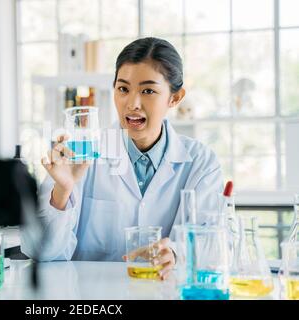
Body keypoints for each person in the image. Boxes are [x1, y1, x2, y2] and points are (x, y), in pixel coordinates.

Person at [21, 37, 224, 280]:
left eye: (148, 90)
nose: (132, 104)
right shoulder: (81, 157)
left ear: (175, 98)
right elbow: (39, 251)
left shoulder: (200, 162)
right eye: (123, 89)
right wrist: (63, 191)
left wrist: (177, 252)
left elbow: (216, 244)